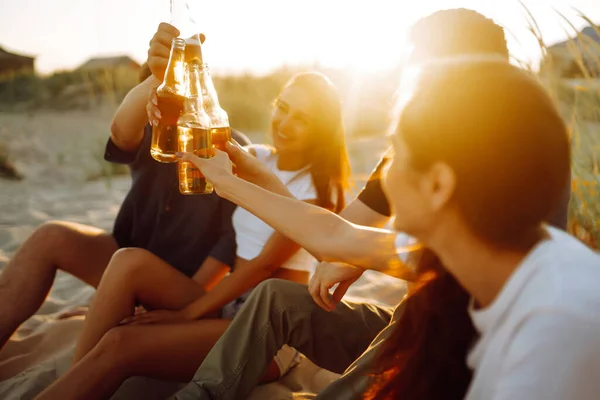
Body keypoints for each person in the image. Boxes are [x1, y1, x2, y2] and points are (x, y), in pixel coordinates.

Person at [172, 9, 578, 400]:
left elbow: (342, 240)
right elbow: (333, 235)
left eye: (417, 70)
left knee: (414, 322)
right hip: (425, 312)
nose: (403, 85)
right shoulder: (426, 143)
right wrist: (258, 178)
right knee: (280, 300)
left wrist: (228, 185)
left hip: (455, 340)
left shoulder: (513, 161)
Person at [34, 63, 353, 398]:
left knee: (121, 342)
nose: (285, 124)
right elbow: (194, 137)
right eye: (283, 109)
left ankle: (72, 385)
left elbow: (263, 266)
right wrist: (167, 86)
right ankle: (75, 379)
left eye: (302, 119)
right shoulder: (257, 158)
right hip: (226, 306)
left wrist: (185, 315)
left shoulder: (318, 194)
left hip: (271, 332)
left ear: (321, 131)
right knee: (129, 261)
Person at [0, 23, 250, 352]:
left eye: (175, 86)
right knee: (51, 236)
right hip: (124, 260)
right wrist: (157, 78)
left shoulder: (227, 144)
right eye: (160, 92)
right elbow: (120, 130)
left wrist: (174, 307)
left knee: (130, 264)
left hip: (187, 286)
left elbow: (228, 244)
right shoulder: (149, 132)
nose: (170, 97)